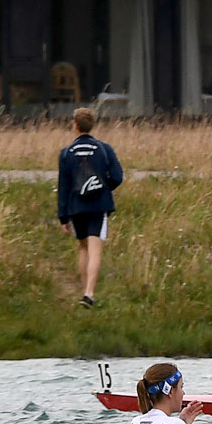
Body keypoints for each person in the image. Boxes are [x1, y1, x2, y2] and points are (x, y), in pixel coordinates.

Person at [55, 106, 123, 308]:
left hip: (76, 207)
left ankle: (84, 292)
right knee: (95, 249)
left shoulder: (66, 153)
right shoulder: (105, 149)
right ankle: (90, 293)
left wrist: (63, 217)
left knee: (82, 248)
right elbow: (118, 177)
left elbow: (63, 186)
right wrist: (103, 189)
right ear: (92, 125)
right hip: (98, 206)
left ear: (75, 125)